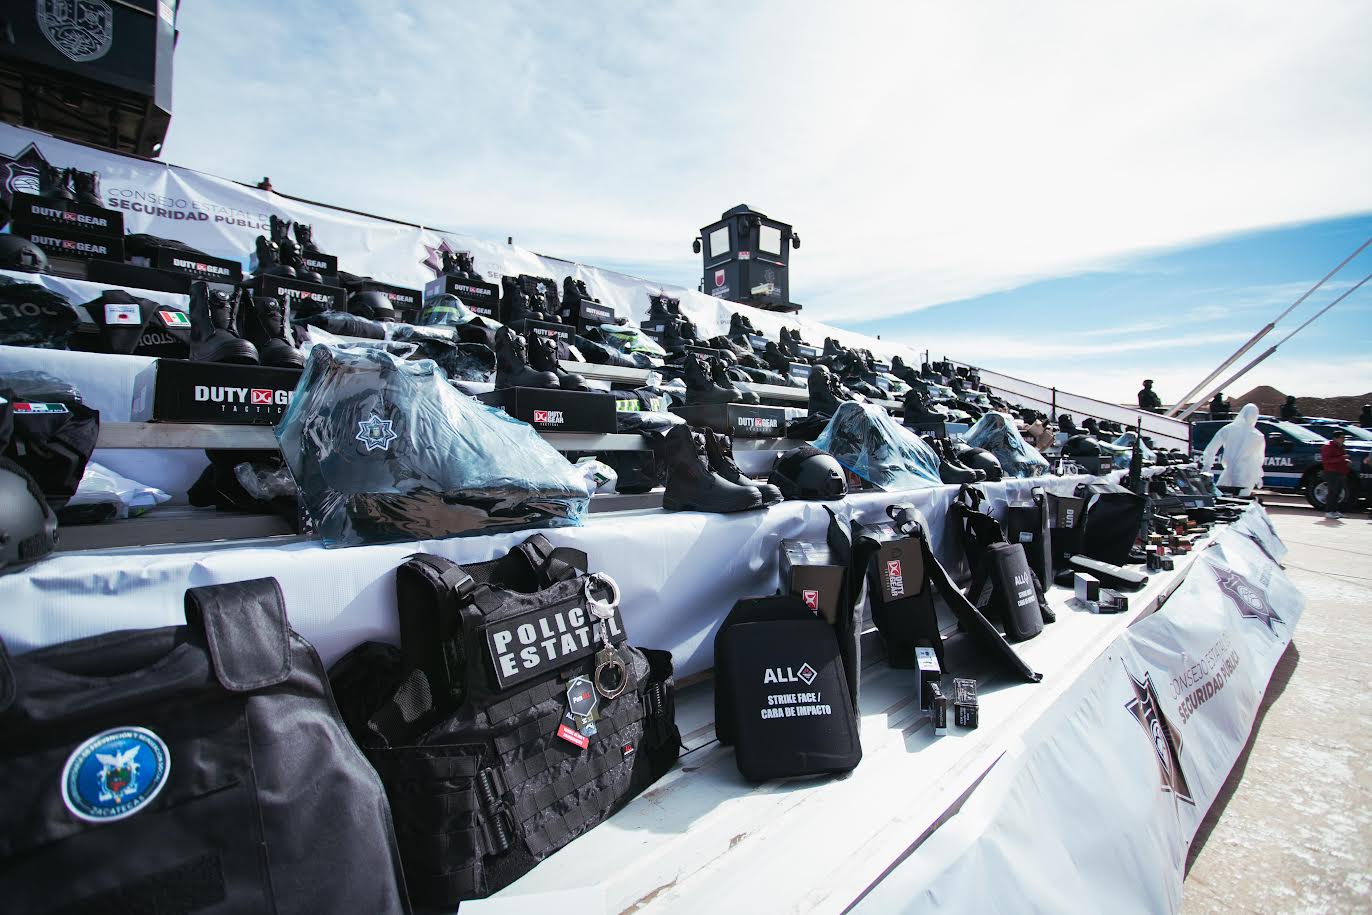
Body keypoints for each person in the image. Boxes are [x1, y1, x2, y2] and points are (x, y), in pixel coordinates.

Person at [1319, 428, 1350, 519]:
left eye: (1344, 437)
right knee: (1332, 492)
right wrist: (1342, 458)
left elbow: (1340, 458)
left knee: (1338, 492)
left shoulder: (1341, 446)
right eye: (1341, 437)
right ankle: (1328, 511)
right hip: (1331, 472)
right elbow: (1327, 460)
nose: (1343, 439)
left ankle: (1335, 510)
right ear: (1335, 438)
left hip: (1341, 471)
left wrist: (1346, 461)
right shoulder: (1328, 447)